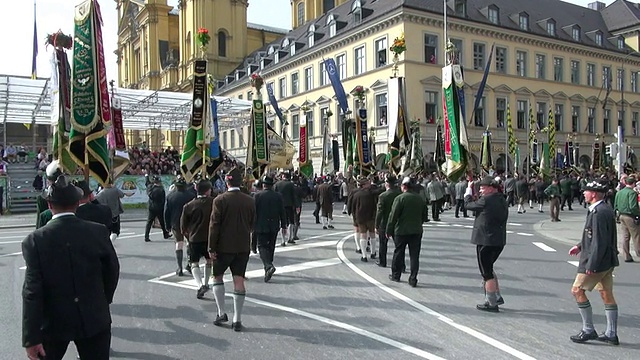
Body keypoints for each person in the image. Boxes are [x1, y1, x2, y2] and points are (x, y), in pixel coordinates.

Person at [21, 175, 119, 360]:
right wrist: (102, 299)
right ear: (77, 203)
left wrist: (31, 338)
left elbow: (32, 292)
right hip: (94, 316)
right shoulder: (98, 231)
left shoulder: (35, 240)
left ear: (49, 206)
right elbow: (112, 270)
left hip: (53, 321)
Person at [568, 179, 620, 345]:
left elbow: (599, 241)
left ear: (594, 194)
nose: (583, 193)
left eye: (586, 190)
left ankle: (588, 329)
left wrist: (592, 265)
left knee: (577, 291)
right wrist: (580, 246)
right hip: (606, 259)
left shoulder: (599, 212)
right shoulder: (603, 209)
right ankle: (611, 333)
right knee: (606, 293)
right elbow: (593, 237)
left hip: (596, 260)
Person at [209, 168, 256, 332]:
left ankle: (221, 312)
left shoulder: (219, 200)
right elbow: (252, 224)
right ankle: (237, 319)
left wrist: (211, 247)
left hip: (223, 246)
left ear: (227, 182)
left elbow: (214, 226)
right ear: (240, 182)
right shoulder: (250, 200)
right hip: (242, 246)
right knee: (239, 281)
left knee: (217, 278)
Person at [464, 175, 508, 312]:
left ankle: (491, 302)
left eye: (483, 188)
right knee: (489, 267)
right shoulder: (501, 199)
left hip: (485, 241)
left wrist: (468, 192)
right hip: (498, 240)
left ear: (490, 188)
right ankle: (497, 296)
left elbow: (468, 205)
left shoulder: (486, 200)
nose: (481, 190)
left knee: (486, 272)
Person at [386, 177, 427, 287]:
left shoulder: (400, 198)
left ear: (404, 186)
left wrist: (389, 229)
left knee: (399, 252)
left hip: (401, 230)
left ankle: (396, 275)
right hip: (416, 230)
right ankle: (413, 278)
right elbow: (425, 216)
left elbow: (393, 216)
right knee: (414, 256)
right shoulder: (420, 199)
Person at [181, 180, 216, 299]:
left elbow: (183, 227)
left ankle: (199, 285)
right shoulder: (214, 203)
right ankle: (206, 283)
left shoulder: (189, 205)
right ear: (207, 190)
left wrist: (188, 237)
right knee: (209, 261)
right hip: (210, 238)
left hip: (194, 238)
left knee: (194, 263)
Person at [254, 175, 287, 282]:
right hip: (274, 225)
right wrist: (284, 225)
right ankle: (268, 266)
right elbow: (282, 211)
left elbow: (253, 212)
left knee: (262, 247)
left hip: (261, 224)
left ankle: (268, 266)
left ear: (263, 185)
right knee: (271, 246)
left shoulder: (257, 196)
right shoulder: (278, 196)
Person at [165, 176, 196, 276]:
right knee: (189, 243)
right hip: (189, 223)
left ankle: (179, 267)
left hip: (175, 223)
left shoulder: (170, 196)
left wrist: (167, 225)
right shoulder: (191, 195)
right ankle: (189, 264)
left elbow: (166, 212)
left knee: (179, 243)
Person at [375, 175, 401, 268]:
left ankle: (383, 261)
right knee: (399, 246)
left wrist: (376, 225)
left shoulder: (383, 196)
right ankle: (401, 265)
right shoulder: (400, 194)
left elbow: (380, 212)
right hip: (398, 222)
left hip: (385, 222)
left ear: (387, 183)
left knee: (383, 243)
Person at [350, 176, 378, 262]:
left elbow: (353, 206)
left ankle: (364, 255)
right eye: (367, 183)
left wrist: (354, 216)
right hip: (371, 217)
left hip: (360, 218)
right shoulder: (371, 194)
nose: (369, 184)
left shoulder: (356, 194)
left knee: (363, 235)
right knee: (372, 234)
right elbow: (375, 205)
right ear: (363, 185)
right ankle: (373, 253)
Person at [613, 175, 640, 263]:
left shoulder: (619, 192)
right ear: (633, 183)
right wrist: (638, 214)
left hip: (621, 215)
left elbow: (615, 205)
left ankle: (626, 255)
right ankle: (639, 253)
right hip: (630, 216)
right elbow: (633, 207)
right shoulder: (632, 193)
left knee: (625, 236)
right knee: (636, 236)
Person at [144, 175, 171, 242]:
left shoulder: (150, 188)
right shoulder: (161, 189)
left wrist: (147, 176)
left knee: (149, 222)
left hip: (151, 207)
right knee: (162, 222)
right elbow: (163, 200)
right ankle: (165, 234)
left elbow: (147, 183)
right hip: (159, 207)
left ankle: (146, 236)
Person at [273, 172, 296, 246]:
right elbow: (294, 196)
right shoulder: (291, 184)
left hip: (280, 206)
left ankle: (283, 240)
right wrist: (296, 205)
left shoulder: (277, 184)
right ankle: (290, 238)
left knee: (282, 223)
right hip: (289, 205)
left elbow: (275, 195)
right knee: (291, 222)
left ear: (282, 176)